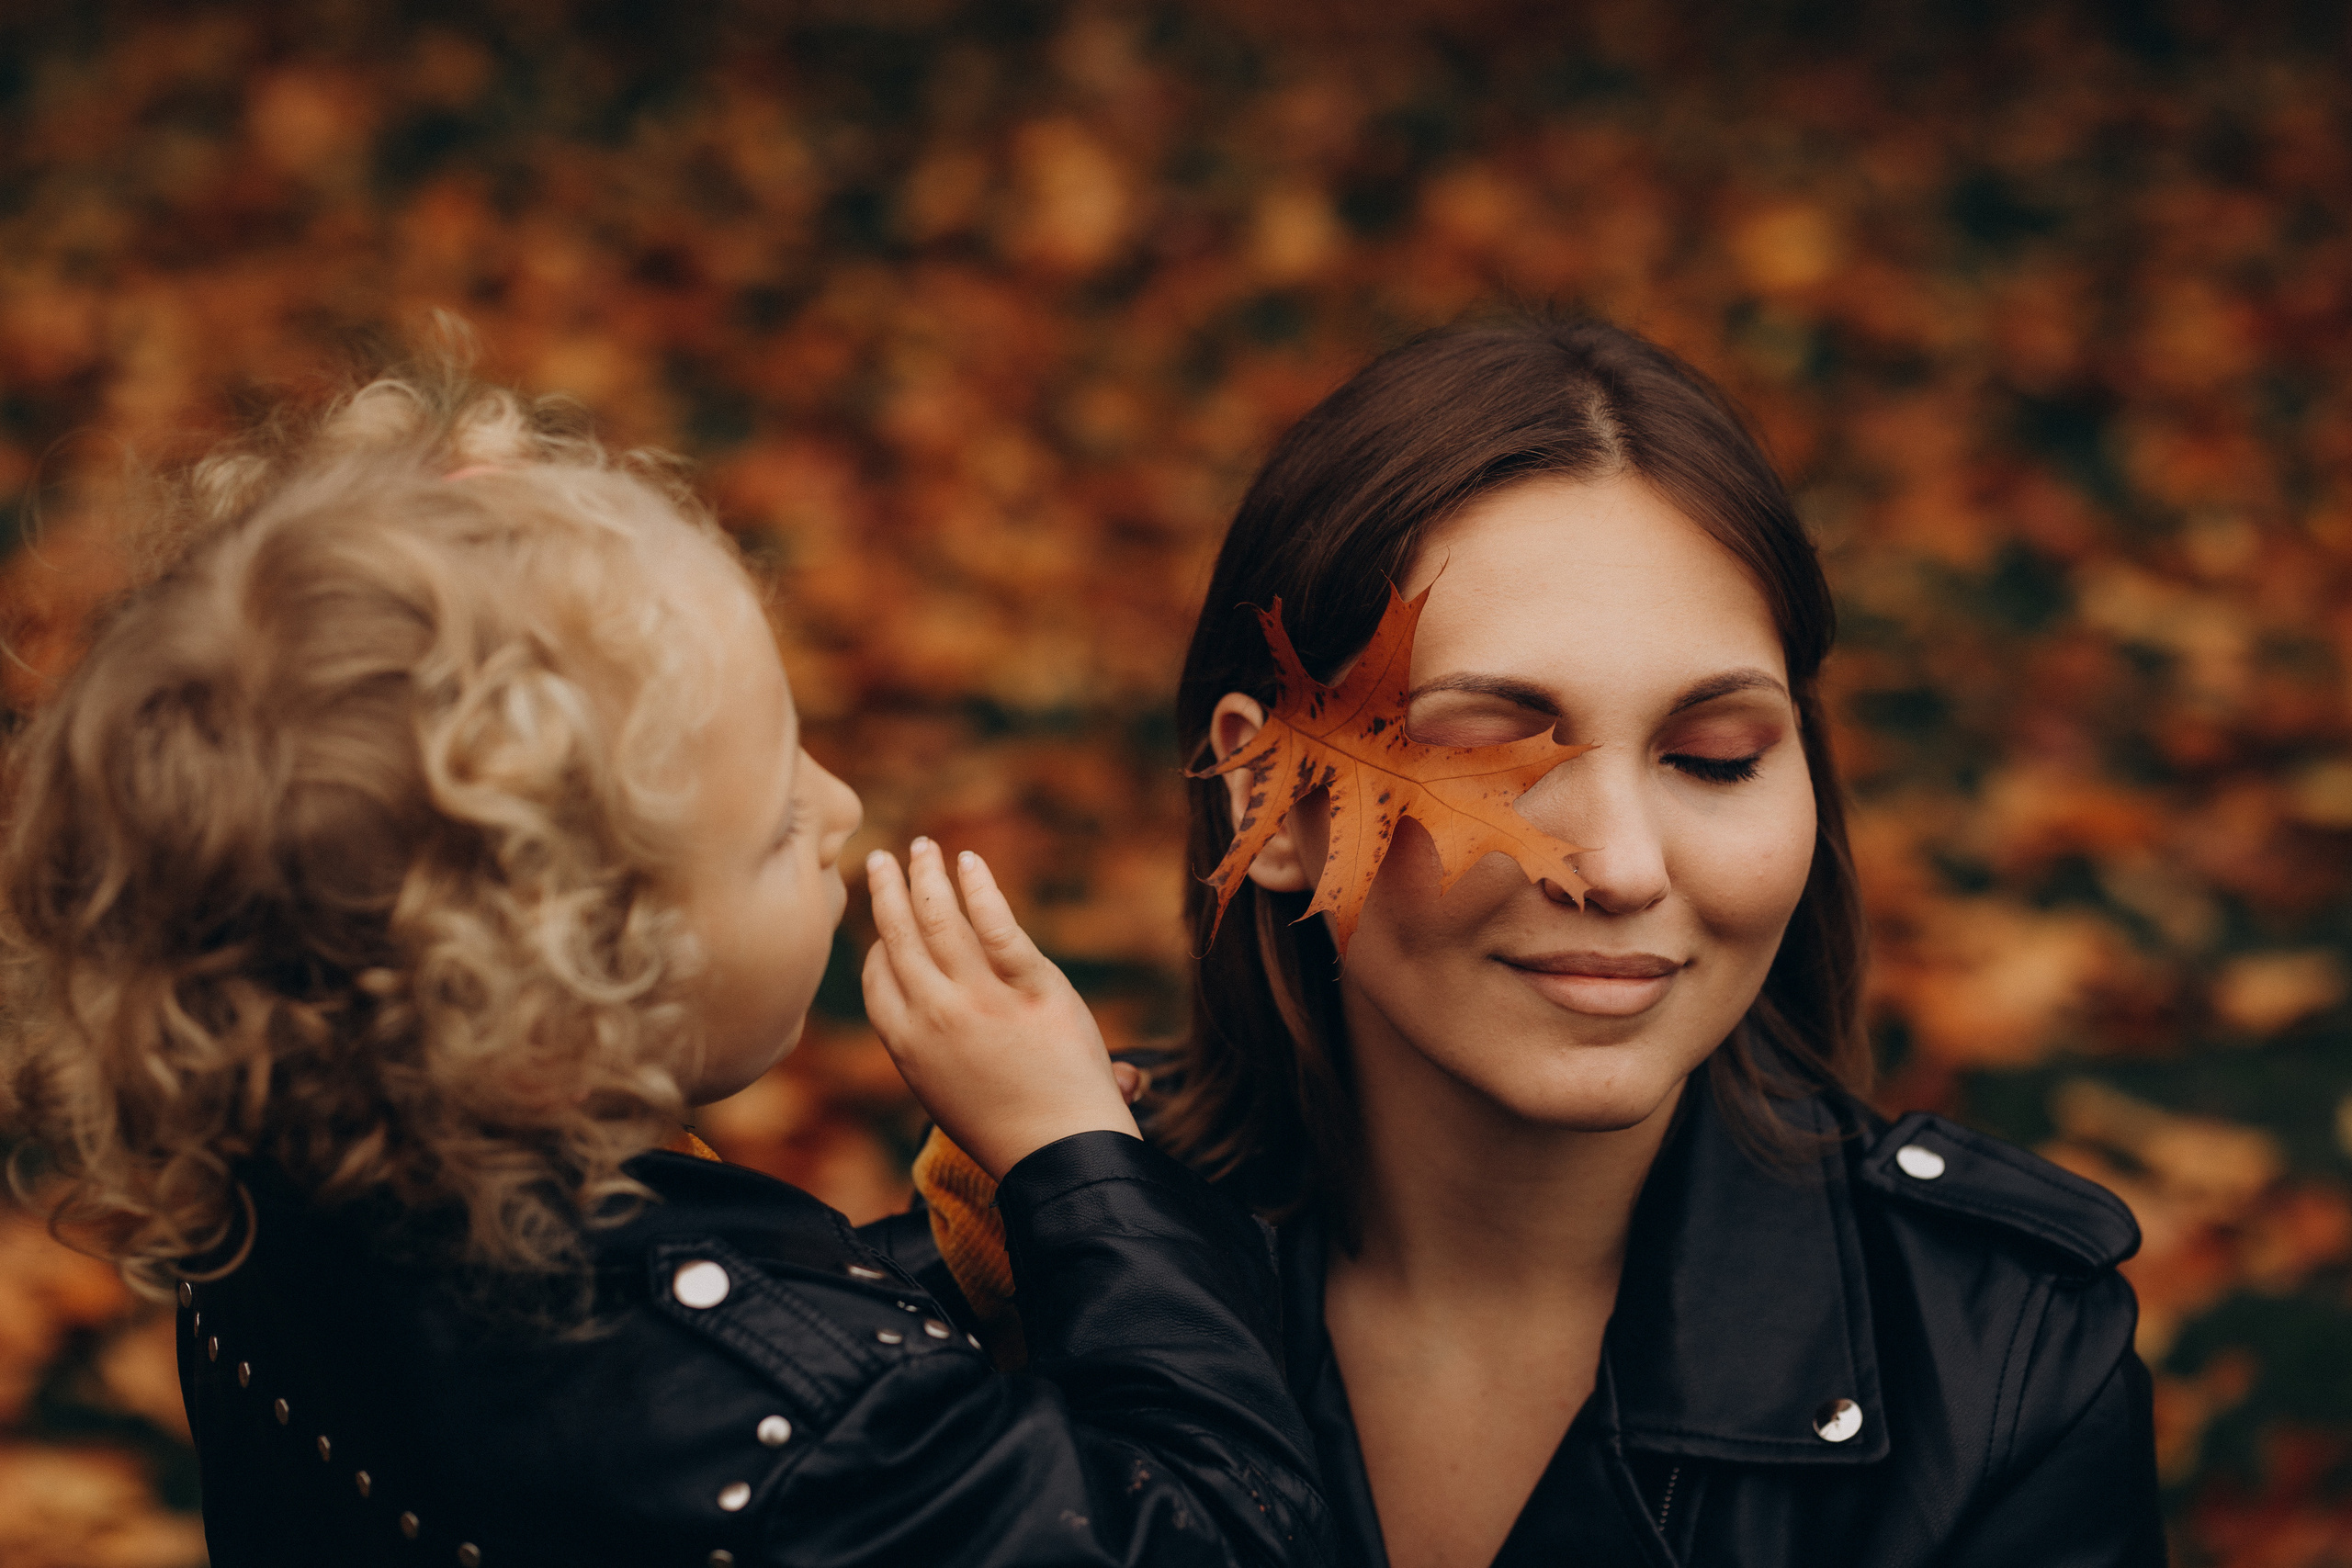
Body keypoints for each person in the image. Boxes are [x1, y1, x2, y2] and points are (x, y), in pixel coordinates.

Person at [0, 368, 1337, 1568]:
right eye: (768, 830)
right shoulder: (804, 1434)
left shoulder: (280, 1183)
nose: (840, 807)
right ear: (544, 1002)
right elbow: (1210, 1532)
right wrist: (1074, 1158)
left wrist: (969, 1261)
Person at [917, 318, 2164, 1566]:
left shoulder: (2004, 1363)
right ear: (1272, 795)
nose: (1620, 865)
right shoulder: (1001, 1286)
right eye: (1490, 759)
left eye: (1713, 759)